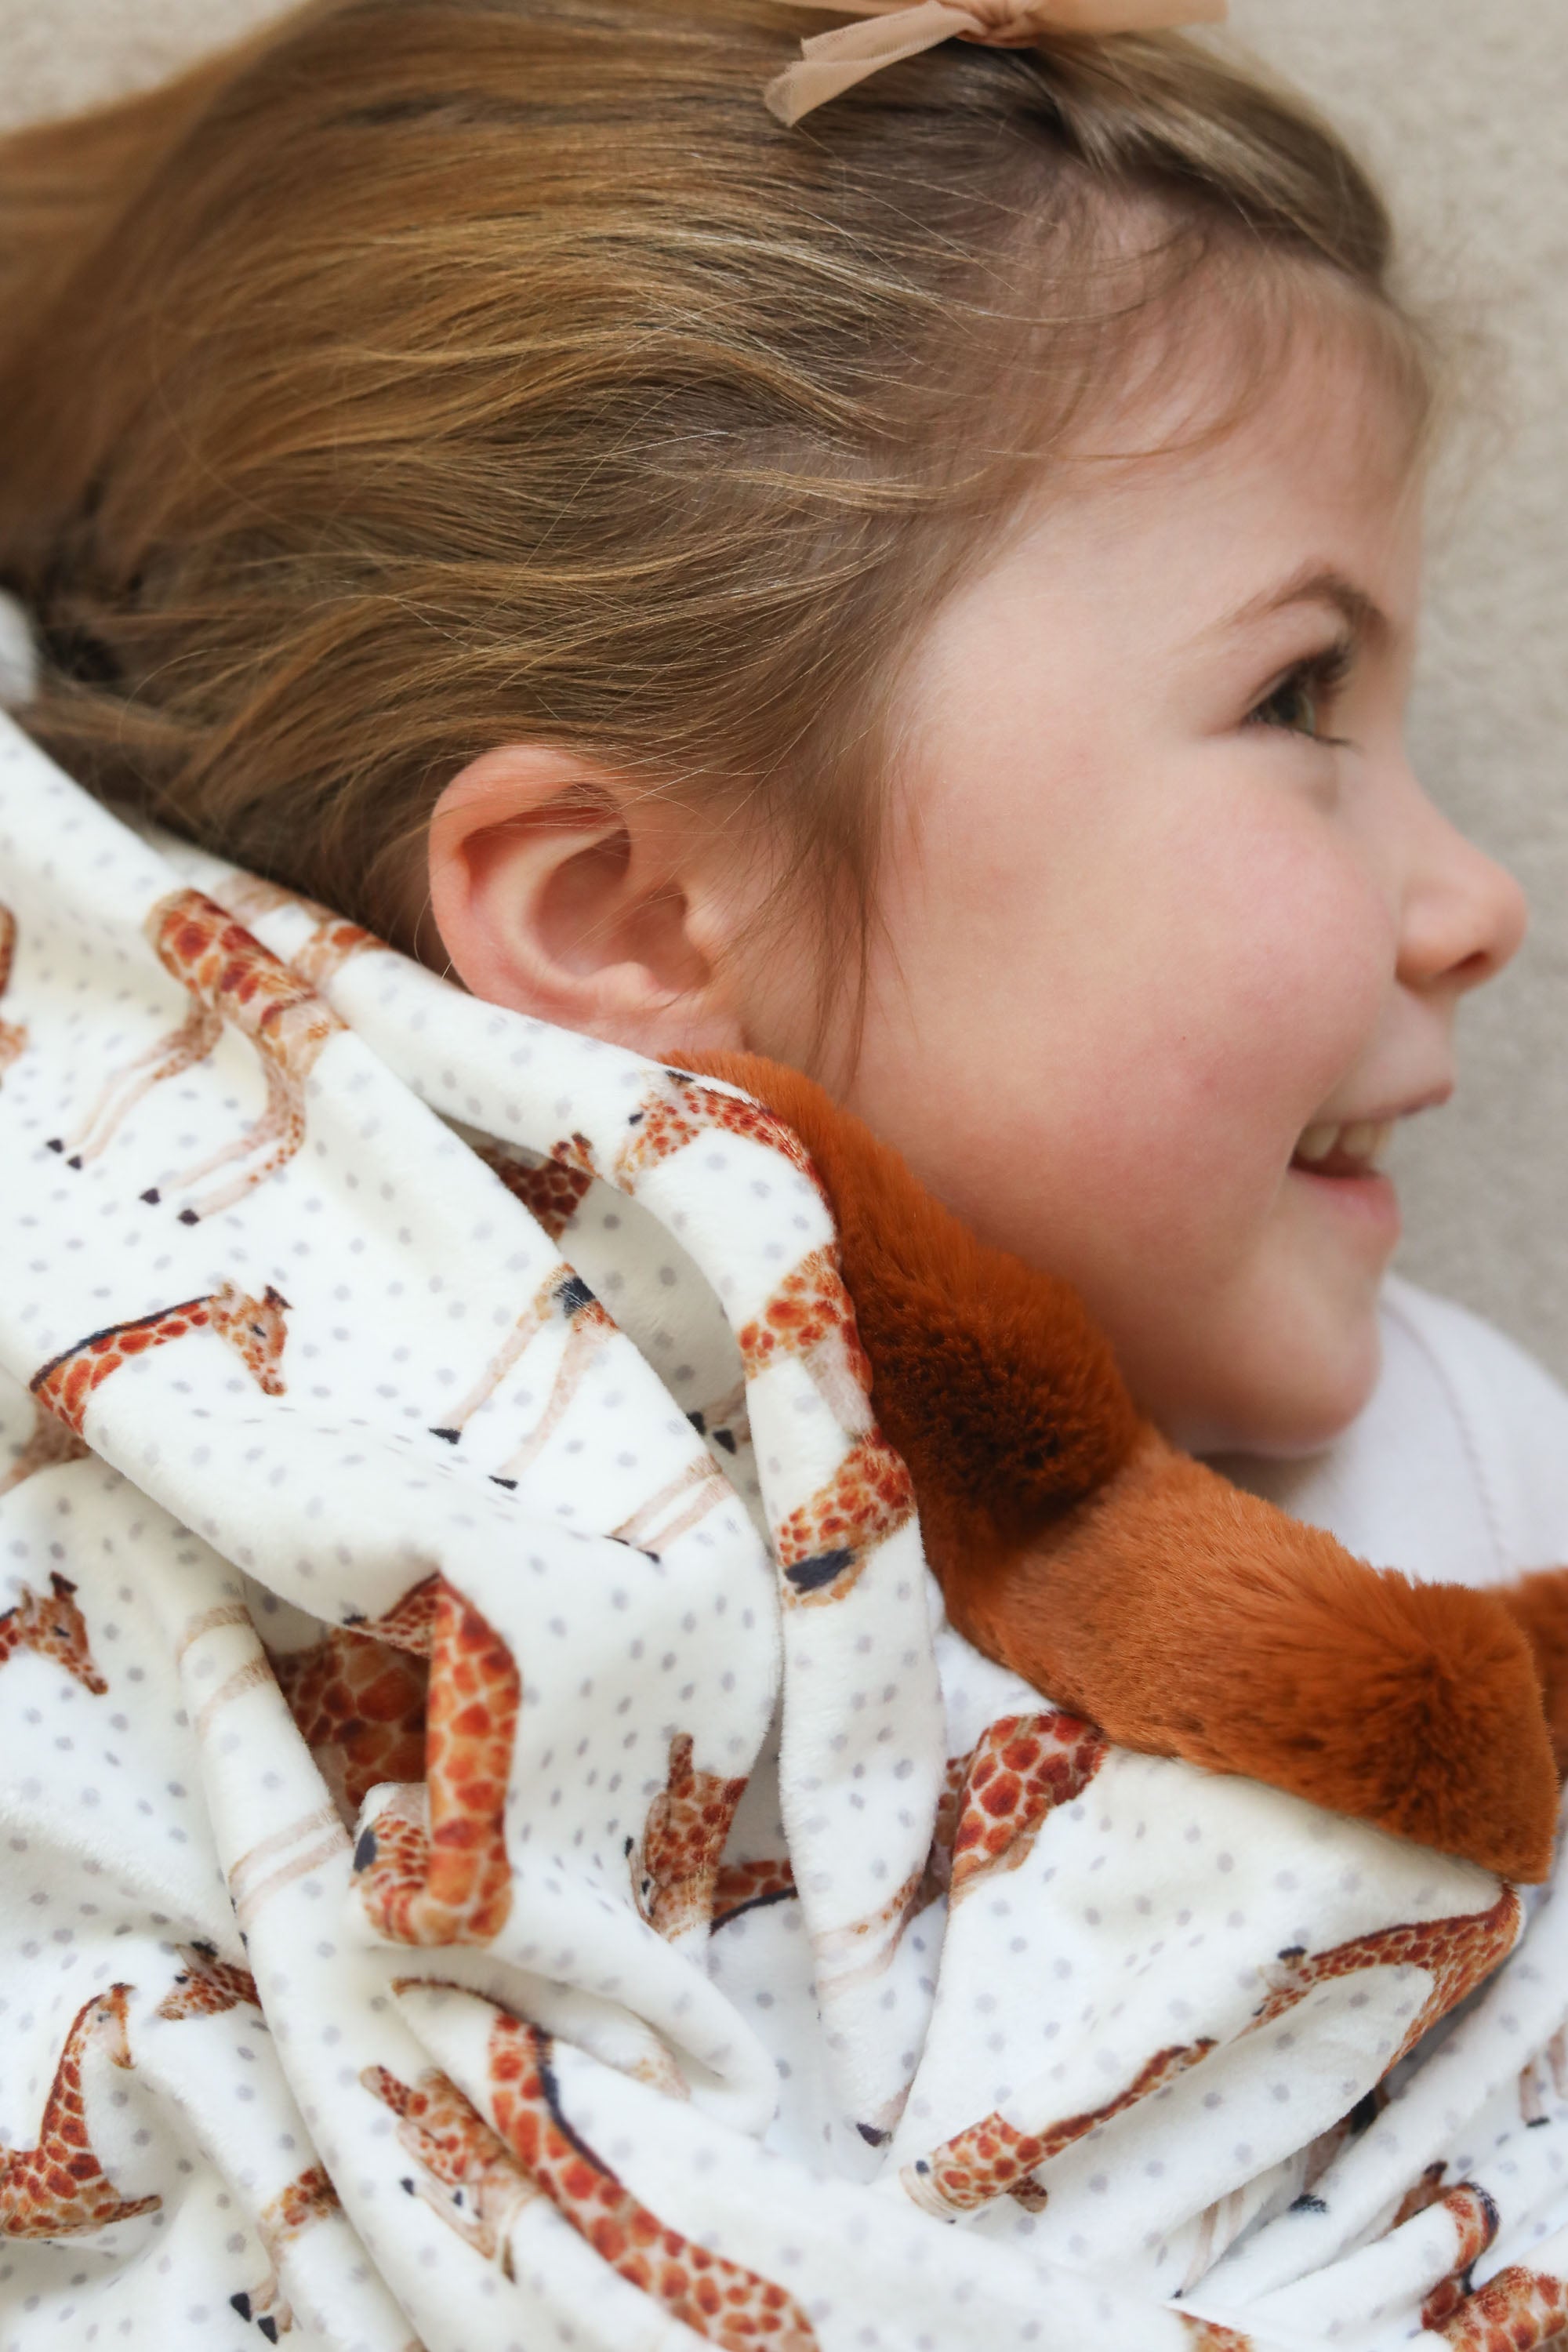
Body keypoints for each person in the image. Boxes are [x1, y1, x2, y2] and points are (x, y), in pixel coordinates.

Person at [2, 6, 1566, 2347]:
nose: (1478, 905)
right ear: (630, 914)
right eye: (1298, 699)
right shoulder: (189, 1512)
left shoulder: (1461, 1493)